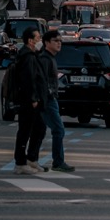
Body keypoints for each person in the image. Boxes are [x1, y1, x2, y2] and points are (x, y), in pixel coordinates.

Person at [11, 26, 48, 176]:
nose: (40, 40)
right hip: (29, 100)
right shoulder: (28, 57)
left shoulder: (31, 55)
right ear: (30, 40)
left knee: (39, 128)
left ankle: (32, 158)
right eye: (38, 38)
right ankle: (20, 162)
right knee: (26, 130)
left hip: (32, 99)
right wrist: (33, 98)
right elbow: (29, 79)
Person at [40, 28, 74, 173]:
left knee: (39, 131)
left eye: (60, 41)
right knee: (58, 130)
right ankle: (58, 162)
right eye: (56, 41)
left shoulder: (50, 58)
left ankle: (33, 160)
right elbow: (41, 81)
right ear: (47, 43)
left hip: (50, 98)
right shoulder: (45, 59)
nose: (59, 44)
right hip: (47, 100)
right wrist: (48, 95)